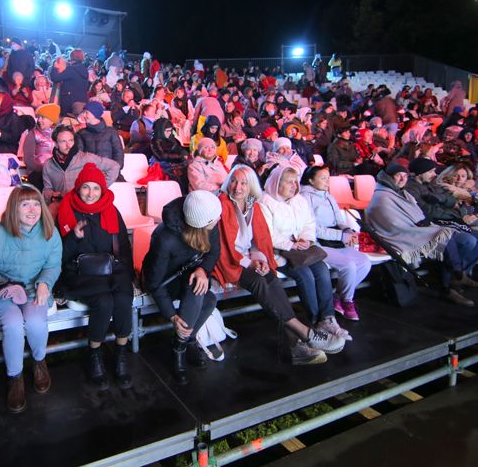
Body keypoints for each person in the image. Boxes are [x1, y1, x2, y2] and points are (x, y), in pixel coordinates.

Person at [214, 166, 345, 364]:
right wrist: (251, 262)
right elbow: (225, 247)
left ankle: (296, 345)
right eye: (234, 181)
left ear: (251, 187)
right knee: (260, 281)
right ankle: (304, 332)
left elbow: (258, 240)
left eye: (243, 183)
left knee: (271, 278)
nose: (237, 187)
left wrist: (260, 258)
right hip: (229, 260)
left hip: (248, 258)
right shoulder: (223, 204)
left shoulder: (252, 204)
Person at [0, 185, 62, 413]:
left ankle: (39, 362)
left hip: (34, 289)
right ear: (15, 207)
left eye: (36, 204)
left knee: (35, 321)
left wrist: (45, 282)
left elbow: (53, 265)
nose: (32, 210)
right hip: (2, 291)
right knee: (13, 324)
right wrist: (5, 285)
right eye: (25, 204)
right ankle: (15, 377)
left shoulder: (50, 231)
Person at [55, 164, 134, 389]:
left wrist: (127, 274)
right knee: (104, 301)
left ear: (102, 190)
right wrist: (73, 237)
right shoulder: (65, 211)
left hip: (110, 270)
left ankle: (120, 352)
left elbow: (124, 247)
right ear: (78, 188)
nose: (90, 194)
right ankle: (95, 353)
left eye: (96, 188)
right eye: (86, 188)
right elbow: (57, 254)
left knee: (122, 298)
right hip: (79, 273)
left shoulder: (111, 210)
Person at [365, 164, 478, 306]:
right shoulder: (382, 195)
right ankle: (452, 280)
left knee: (452, 236)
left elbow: (417, 213)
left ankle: (454, 279)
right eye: (398, 175)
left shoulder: (401, 192)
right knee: (445, 235)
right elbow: (392, 222)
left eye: (404, 176)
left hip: (416, 226)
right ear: (388, 177)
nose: (402, 179)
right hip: (398, 233)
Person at [260, 166, 350, 339]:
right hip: (279, 252)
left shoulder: (299, 200)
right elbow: (266, 234)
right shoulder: (265, 202)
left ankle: (328, 318)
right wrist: (290, 245)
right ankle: (316, 321)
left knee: (322, 269)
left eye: (295, 181)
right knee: (305, 275)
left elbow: (309, 223)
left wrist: (306, 239)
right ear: (277, 183)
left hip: (302, 250)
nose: (294, 186)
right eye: (289, 182)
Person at [142, 191, 221, 384]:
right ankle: (180, 348)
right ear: (200, 223)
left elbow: (214, 253)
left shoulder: (210, 222)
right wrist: (171, 315)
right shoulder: (166, 239)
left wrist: (203, 270)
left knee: (209, 299)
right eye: (215, 217)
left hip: (188, 275)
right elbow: (154, 282)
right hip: (164, 282)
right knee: (199, 292)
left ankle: (184, 341)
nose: (219, 218)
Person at [300, 166, 372, 320]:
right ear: (311, 180)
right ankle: (347, 301)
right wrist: (341, 236)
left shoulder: (328, 196)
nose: (327, 182)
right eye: (323, 178)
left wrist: (347, 230)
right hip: (319, 243)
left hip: (336, 240)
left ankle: (338, 296)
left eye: (328, 177)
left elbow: (339, 220)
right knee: (349, 266)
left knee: (365, 262)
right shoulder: (305, 197)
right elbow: (313, 229)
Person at [42, 125, 120, 205]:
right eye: (63, 141)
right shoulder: (48, 165)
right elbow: (47, 189)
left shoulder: (86, 158)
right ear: (55, 144)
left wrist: (98, 188)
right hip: (61, 205)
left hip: (83, 206)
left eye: (71, 140)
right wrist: (51, 195)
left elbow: (114, 166)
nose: (68, 145)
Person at [21, 103, 59, 189]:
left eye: (43, 117)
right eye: (39, 117)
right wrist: (45, 169)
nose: (39, 120)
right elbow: (28, 160)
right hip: (37, 172)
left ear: (51, 120)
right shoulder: (33, 134)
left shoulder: (58, 135)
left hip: (55, 172)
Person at [76, 101, 124, 168]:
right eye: (84, 112)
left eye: (86, 112)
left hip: (109, 172)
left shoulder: (111, 132)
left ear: (95, 114)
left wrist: (113, 171)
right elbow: (78, 156)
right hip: (89, 173)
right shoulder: (81, 134)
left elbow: (118, 154)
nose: (84, 115)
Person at [49, 49, 89, 116]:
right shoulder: (85, 70)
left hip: (70, 100)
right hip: (82, 100)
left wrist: (55, 67)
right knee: (78, 123)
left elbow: (56, 78)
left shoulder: (72, 69)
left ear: (72, 57)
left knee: (68, 122)